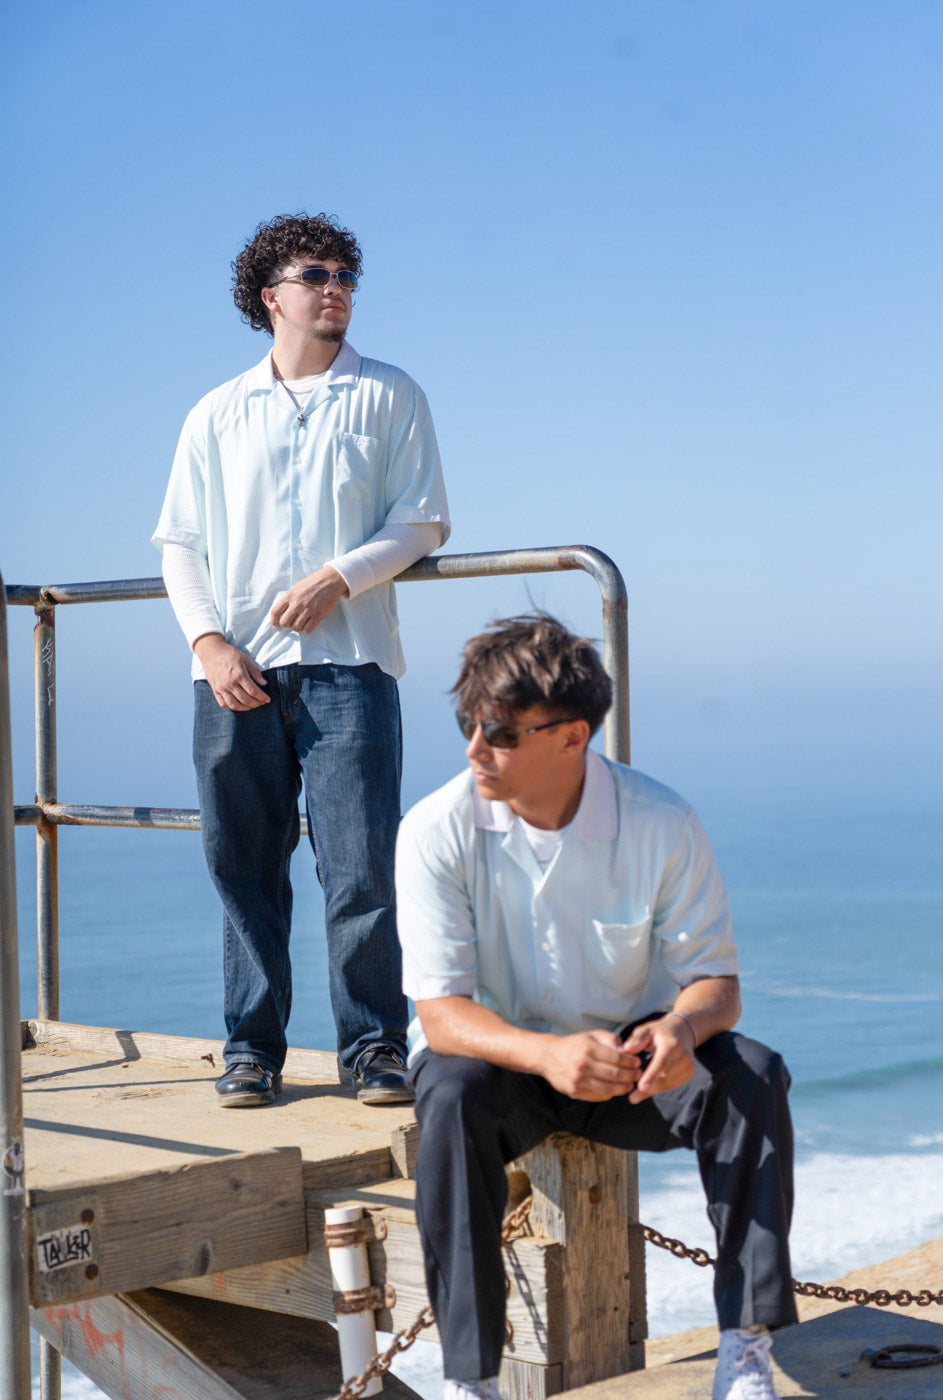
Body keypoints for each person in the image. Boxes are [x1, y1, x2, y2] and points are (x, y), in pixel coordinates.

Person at [395, 614, 796, 1400]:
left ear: (572, 737)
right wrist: (547, 1054)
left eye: (499, 732)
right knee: (447, 1094)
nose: (474, 748)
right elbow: (441, 1017)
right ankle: (470, 1380)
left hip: (629, 1064)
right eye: (466, 723)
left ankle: (744, 1351)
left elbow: (717, 984)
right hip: (501, 1060)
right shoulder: (433, 829)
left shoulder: (661, 821)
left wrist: (680, 1028)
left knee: (752, 1076)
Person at [153, 212, 450, 1108]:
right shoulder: (215, 411)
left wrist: (338, 577)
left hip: (350, 665)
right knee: (242, 864)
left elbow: (422, 521)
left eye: (345, 277)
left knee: (359, 867)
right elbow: (180, 542)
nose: (335, 290)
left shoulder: (389, 393)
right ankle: (251, 1051)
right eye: (315, 276)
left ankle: (374, 1048)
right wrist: (208, 644)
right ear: (269, 296)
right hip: (234, 672)